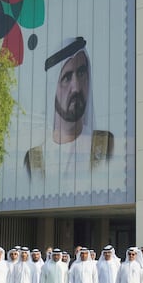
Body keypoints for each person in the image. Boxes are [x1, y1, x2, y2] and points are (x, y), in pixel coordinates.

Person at [24, 37, 114, 181]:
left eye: (81, 73)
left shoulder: (105, 145)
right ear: (52, 89)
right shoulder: (34, 160)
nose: (76, 87)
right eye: (66, 77)